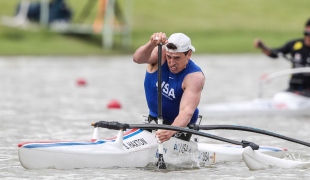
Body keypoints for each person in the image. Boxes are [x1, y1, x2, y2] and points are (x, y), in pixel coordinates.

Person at [133, 32, 205, 143]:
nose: (171, 63)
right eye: (169, 57)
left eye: (177, 58)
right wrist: (151, 43)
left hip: (180, 126)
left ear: (189, 54)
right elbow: (137, 59)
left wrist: (170, 132)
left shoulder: (194, 77)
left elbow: (186, 112)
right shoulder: (160, 55)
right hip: (154, 119)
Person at [254, 18, 310, 97]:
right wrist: (262, 46)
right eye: (306, 33)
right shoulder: (295, 45)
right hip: (294, 89)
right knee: (279, 96)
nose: (308, 37)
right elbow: (275, 53)